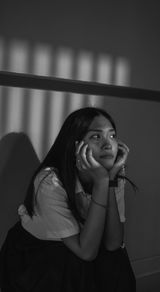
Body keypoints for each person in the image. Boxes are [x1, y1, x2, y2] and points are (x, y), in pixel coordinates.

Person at [0, 107, 136, 291]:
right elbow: (86, 252)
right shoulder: (50, 182)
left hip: (80, 246)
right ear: (76, 145)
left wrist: (109, 181)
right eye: (96, 136)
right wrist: (102, 182)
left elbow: (114, 243)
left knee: (114, 258)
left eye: (112, 136)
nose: (108, 144)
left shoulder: (113, 173)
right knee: (75, 261)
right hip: (41, 257)